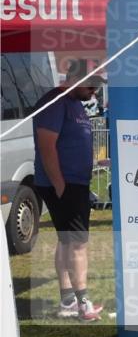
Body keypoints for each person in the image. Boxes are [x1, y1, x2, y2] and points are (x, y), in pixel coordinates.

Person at [33, 60, 105, 321]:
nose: (94, 92)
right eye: (92, 85)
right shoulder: (55, 101)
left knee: (67, 241)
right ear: (75, 77)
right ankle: (83, 303)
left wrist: (96, 163)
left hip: (74, 183)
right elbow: (47, 146)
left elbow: (71, 143)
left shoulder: (75, 104)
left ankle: (67, 301)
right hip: (64, 184)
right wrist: (60, 185)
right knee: (78, 243)